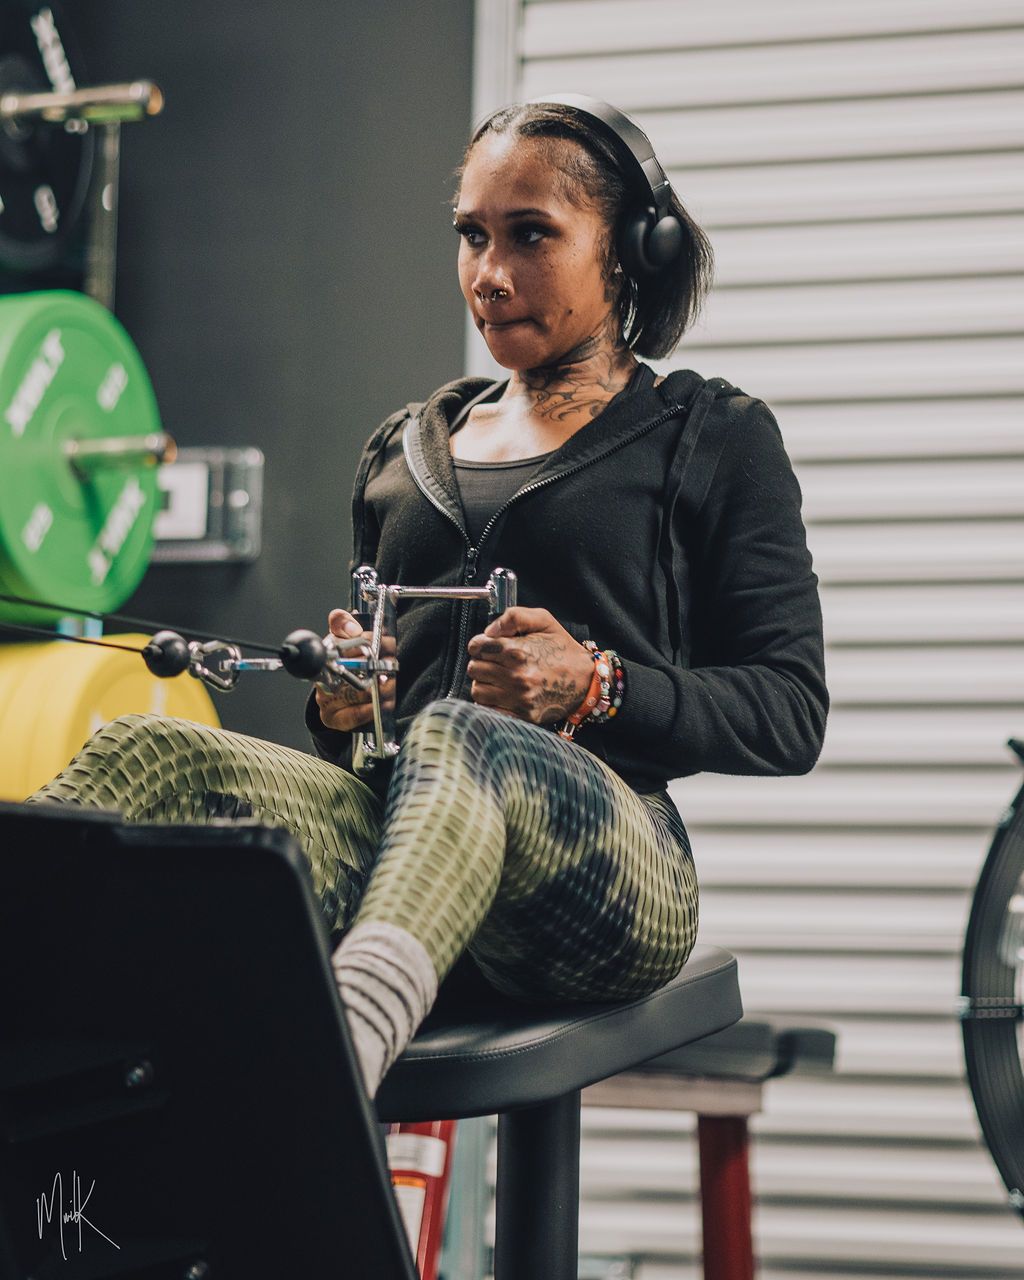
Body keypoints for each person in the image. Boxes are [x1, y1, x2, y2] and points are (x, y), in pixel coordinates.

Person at [29, 97, 828, 1100]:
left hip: (612, 872)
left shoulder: (711, 437)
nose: (489, 274)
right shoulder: (406, 447)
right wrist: (341, 700)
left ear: (629, 252)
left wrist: (596, 683)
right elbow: (372, 723)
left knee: (464, 736)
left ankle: (339, 1062)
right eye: (472, 234)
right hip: (400, 841)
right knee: (157, 748)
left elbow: (789, 712)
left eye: (531, 234)